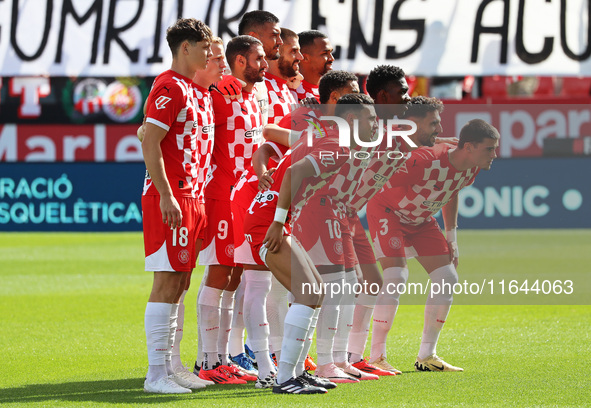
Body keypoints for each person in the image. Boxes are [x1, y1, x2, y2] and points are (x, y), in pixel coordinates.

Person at [367, 118, 499, 372]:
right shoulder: (425, 160)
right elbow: (378, 178)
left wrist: (452, 237)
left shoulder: (471, 168)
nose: (494, 155)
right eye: (489, 149)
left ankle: (427, 355)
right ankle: (376, 357)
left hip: (420, 220)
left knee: (447, 277)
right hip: (388, 212)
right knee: (396, 276)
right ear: (469, 147)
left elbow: (452, 191)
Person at [141, 18, 213, 394]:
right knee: (166, 281)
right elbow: (150, 141)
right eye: (204, 47)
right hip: (173, 196)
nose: (209, 53)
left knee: (182, 282)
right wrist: (166, 195)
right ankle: (155, 374)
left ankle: (171, 365)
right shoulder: (169, 85)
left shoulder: (194, 89)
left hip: (195, 196)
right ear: (185, 47)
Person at [196, 35, 266, 385]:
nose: (265, 65)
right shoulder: (218, 94)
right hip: (220, 196)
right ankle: (206, 361)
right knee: (220, 273)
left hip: (243, 197)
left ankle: (222, 358)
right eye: (259, 58)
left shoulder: (251, 96)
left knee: (234, 276)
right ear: (241, 60)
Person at [294, 30, 335, 101]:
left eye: (331, 52)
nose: (332, 58)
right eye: (325, 53)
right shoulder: (289, 92)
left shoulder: (333, 94)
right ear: (305, 58)